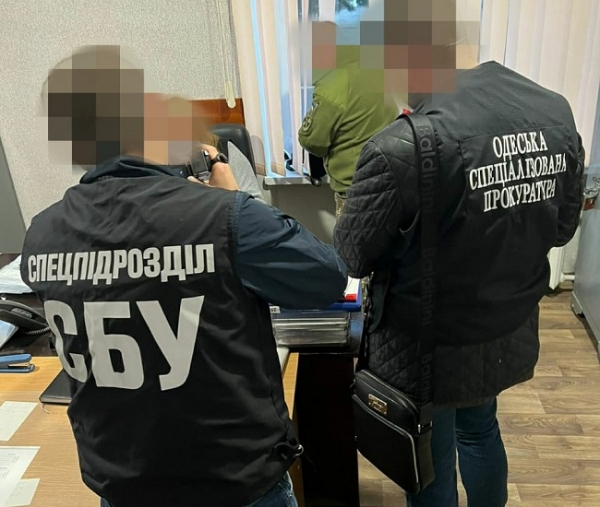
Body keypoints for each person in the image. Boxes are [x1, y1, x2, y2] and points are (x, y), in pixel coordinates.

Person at [24, 45, 348, 507]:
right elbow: (328, 277)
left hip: (124, 485)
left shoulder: (41, 234)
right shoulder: (224, 216)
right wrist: (232, 202)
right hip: (233, 482)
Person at [334, 5, 586, 507]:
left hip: (426, 344)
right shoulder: (552, 110)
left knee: (429, 446)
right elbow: (561, 228)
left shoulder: (399, 146)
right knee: (481, 427)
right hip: (504, 326)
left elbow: (351, 255)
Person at [298, 20, 398, 219]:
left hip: (356, 189)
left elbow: (313, 140)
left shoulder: (331, 88)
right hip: (391, 179)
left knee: (352, 240)